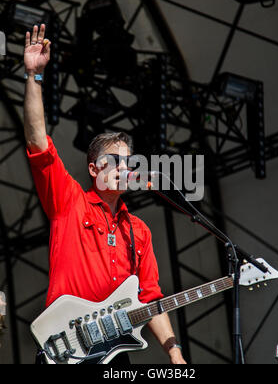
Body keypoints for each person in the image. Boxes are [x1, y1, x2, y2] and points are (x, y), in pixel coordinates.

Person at [24, 24, 186, 365]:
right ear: (94, 169)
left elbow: (149, 297)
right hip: (65, 348)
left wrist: (175, 354)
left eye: (128, 163)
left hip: (113, 354)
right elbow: (38, 140)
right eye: (113, 161)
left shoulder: (138, 231)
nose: (123, 168)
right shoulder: (69, 200)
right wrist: (34, 77)